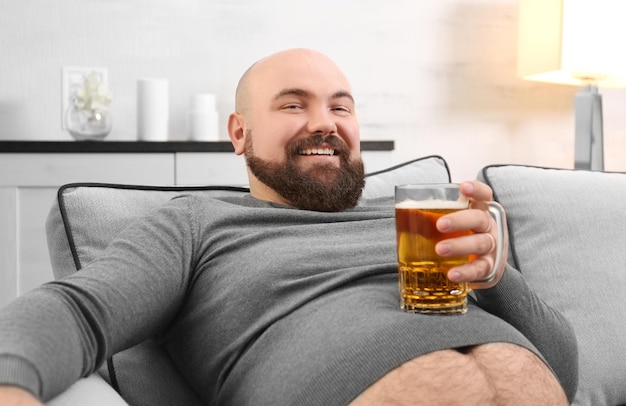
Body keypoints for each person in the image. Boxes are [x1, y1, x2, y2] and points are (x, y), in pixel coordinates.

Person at [0, 48, 577, 405]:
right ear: (239, 133)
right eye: (294, 105)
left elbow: (565, 369)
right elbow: (76, 312)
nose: (324, 123)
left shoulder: (421, 222)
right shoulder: (197, 225)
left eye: (341, 107)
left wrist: (496, 275)